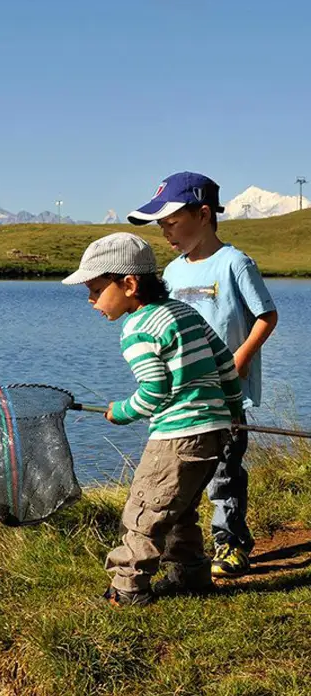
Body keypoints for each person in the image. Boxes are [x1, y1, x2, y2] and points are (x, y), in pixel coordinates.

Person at [62, 232, 244, 605]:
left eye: (96, 290)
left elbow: (154, 391)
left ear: (129, 284)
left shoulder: (137, 329)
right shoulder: (183, 312)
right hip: (214, 433)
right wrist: (232, 412)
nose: (92, 301)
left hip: (176, 438)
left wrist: (122, 412)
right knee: (180, 510)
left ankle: (127, 589)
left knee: (145, 512)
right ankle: (190, 575)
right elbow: (226, 363)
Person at [128, 172, 279, 577]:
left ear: (205, 214)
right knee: (185, 477)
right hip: (183, 401)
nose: (165, 233)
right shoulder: (173, 273)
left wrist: (241, 358)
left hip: (227, 397)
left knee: (225, 473)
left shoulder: (234, 263)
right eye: (161, 226)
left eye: (172, 223)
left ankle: (229, 543)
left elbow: (267, 316)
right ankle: (183, 548)